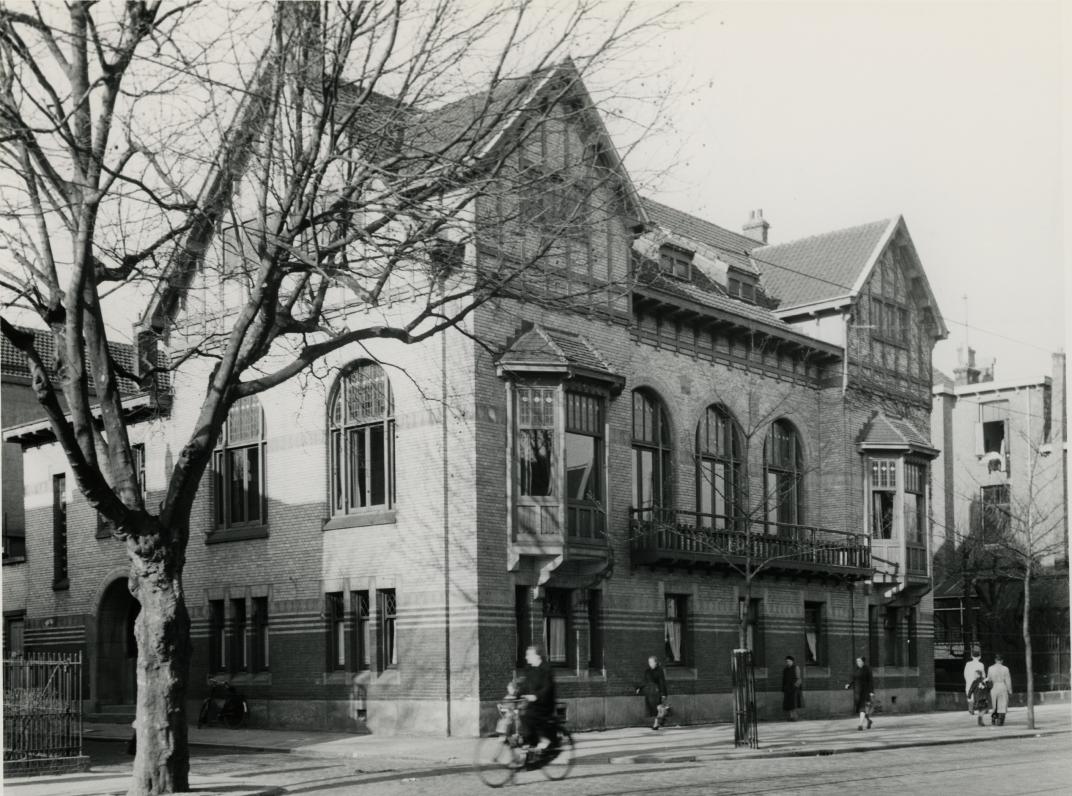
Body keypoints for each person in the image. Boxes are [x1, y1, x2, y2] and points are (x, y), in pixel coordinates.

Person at [518, 645, 557, 758]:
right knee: (522, 714)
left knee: (529, 715)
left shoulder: (546, 669)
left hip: (544, 703)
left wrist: (536, 696)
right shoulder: (529, 669)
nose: (526, 657)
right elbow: (525, 686)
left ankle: (544, 740)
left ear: (537, 656)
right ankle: (530, 743)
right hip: (533, 703)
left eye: (529, 655)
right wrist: (515, 694)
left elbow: (547, 687)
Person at [636, 655, 669, 730]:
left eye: (651, 662)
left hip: (658, 692)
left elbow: (662, 682)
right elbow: (644, 681)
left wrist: (663, 693)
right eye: (649, 662)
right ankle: (663, 717)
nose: (650, 663)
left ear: (655, 662)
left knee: (658, 708)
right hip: (650, 693)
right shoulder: (647, 671)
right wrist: (639, 687)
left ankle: (656, 724)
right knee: (655, 709)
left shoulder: (659, 671)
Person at [844, 656, 874, 731]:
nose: (858, 662)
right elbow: (852, 678)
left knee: (862, 708)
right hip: (857, 692)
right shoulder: (856, 669)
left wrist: (871, 692)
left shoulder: (867, 669)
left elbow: (871, 681)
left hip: (865, 691)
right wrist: (848, 684)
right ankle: (869, 721)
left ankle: (860, 725)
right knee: (860, 709)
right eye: (857, 661)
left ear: (863, 662)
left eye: (859, 661)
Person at [987, 653, 1012, 726]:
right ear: (1002, 661)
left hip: (994, 686)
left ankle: (994, 718)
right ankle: (1001, 720)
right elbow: (1008, 680)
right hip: (1002, 685)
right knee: (1003, 703)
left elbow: (989, 679)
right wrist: (1009, 689)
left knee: (995, 703)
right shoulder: (1005, 668)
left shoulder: (990, 668)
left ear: (995, 660)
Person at [963, 649, 985, 715]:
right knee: (979, 694)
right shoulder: (981, 664)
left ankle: (971, 708)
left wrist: (967, 680)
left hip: (969, 682)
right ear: (979, 657)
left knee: (970, 694)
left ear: (972, 656)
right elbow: (983, 675)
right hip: (978, 682)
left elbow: (965, 673)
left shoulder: (968, 664)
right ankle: (980, 708)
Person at [781, 655, 803, 722]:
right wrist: (783, 688)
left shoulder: (796, 668)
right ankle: (790, 717)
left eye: (789, 661)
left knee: (794, 703)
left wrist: (795, 686)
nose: (787, 662)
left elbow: (799, 679)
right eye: (786, 661)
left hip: (794, 689)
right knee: (788, 704)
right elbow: (784, 680)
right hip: (787, 689)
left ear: (792, 661)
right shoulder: (785, 670)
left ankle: (795, 717)